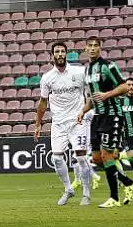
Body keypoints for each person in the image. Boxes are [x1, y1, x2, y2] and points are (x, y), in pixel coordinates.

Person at [77, 36, 133, 208]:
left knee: (107, 155)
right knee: (96, 159)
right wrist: (82, 111)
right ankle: (128, 182)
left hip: (112, 115)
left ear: (100, 48)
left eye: (96, 45)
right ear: (85, 48)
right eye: (90, 46)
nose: (93, 48)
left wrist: (107, 95)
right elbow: (91, 96)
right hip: (97, 117)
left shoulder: (108, 66)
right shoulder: (87, 70)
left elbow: (125, 86)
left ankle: (114, 198)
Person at [35, 42, 91, 205]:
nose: (60, 54)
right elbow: (43, 102)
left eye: (62, 51)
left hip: (77, 121)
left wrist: (85, 113)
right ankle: (69, 189)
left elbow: (91, 95)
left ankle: (86, 193)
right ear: (52, 56)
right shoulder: (47, 78)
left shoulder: (79, 72)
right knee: (57, 158)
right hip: (58, 123)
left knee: (81, 157)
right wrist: (38, 124)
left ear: (66, 54)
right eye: (57, 52)